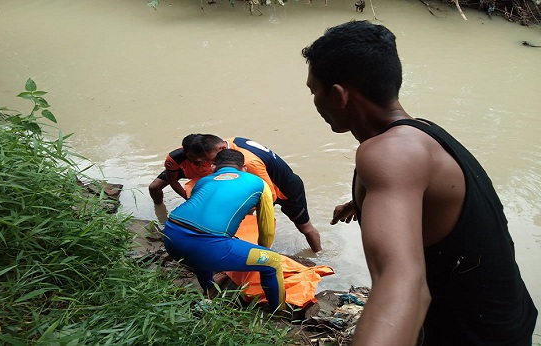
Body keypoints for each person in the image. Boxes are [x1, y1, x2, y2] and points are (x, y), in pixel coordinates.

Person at [301, 20, 537, 345]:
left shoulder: (387, 154)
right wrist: (360, 202)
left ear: (340, 95)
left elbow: (402, 282)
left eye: (315, 91)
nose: (315, 101)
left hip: (474, 336)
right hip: (508, 316)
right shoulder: (418, 133)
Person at [162, 149, 286, 311]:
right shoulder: (258, 183)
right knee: (273, 261)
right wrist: (263, 251)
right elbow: (267, 230)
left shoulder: (204, 181)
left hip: (171, 237)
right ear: (244, 169)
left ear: (214, 167)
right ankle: (278, 311)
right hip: (208, 247)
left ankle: (209, 287)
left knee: (201, 243)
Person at [186, 134, 322, 253]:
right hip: (266, 181)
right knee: (242, 217)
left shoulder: (249, 163)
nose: (212, 163)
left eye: (211, 160)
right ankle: (243, 249)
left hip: (286, 190)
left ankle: (319, 254)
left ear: (221, 149)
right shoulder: (232, 141)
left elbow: (270, 195)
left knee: (305, 228)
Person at [148, 134, 212, 205]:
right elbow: (172, 180)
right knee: (154, 187)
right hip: (183, 170)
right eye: (192, 156)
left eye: (200, 155)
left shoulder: (215, 152)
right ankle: (158, 206)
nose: (198, 160)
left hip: (210, 170)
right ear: (185, 153)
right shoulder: (175, 158)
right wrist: (188, 198)